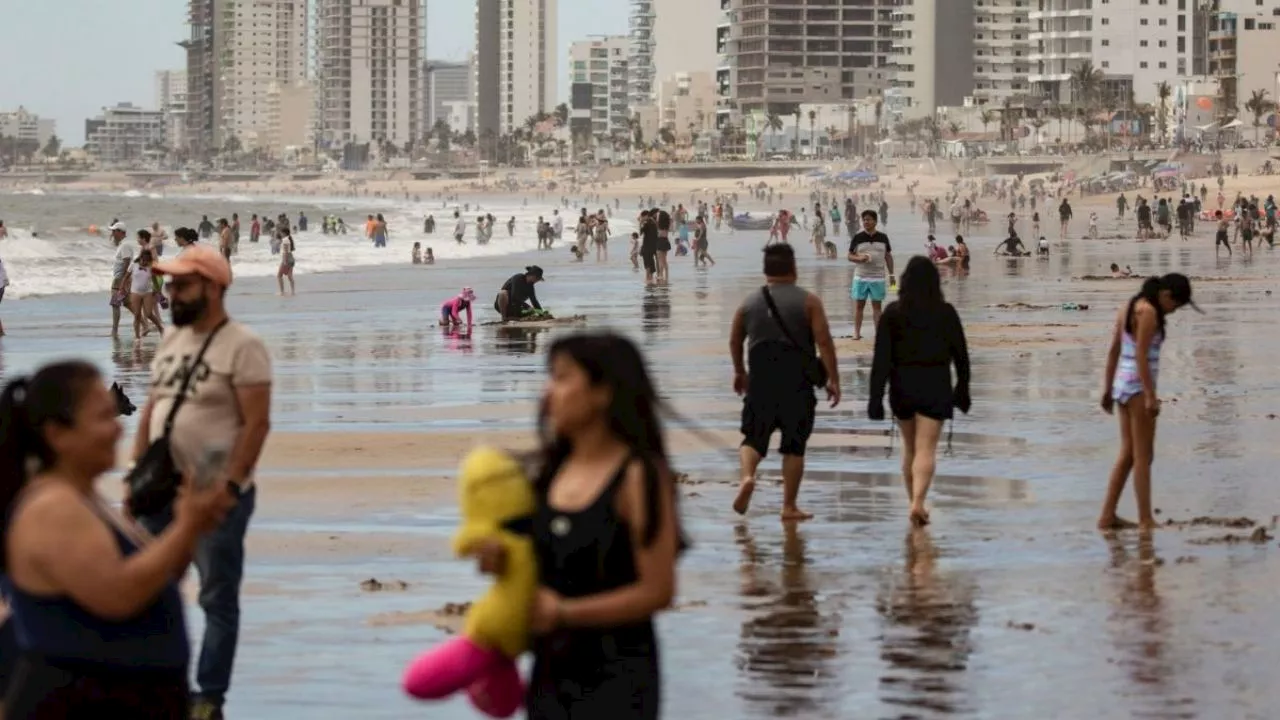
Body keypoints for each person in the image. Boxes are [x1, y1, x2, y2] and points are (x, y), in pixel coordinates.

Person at [0, 361, 234, 716]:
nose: (117, 430)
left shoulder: (86, 500)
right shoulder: (52, 508)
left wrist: (192, 525)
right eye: (103, 418)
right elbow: (120, 595)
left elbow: (157, 578)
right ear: (56, 434)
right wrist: (186, 526)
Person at [472, 332, 684, 720]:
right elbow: (537, 574)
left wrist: (566, 613)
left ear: (603, 392)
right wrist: (499, 561)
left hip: (617, 679)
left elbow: (658, 591)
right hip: (549, 672)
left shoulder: (638, 476)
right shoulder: (549, 473)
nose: (548, 391)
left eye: (562, 377)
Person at [130, 245, 273, 720]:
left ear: (213, 288)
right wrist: (135, 476)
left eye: (181, 284)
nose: (170, 293)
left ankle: (208, 697)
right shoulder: (173, 340)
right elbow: (153, 409)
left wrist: (230, 487)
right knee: (149, 589)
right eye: (168, 285)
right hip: (161, 491)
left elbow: (256, 424)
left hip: (214, 494)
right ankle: (158, 685)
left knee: (215, 595)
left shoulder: (243, 345)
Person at [729, 243, 840, 522]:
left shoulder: (749, 303)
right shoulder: (809, 301)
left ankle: (747, 477)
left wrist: (740, 371)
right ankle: (789, 506)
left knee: (753, 438)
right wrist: (833, 380)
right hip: (797, 383)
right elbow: (824, 342)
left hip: (761, 380)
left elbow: (735, 339)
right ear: (793, 268)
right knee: (794, 445)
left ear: (765, 269)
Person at [867, 257, 971, 526]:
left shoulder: (892, 313)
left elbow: (881, 360)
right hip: (935, 384)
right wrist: (963, 388)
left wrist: (875, 398)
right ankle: (918, 503)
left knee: (910, 448)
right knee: (926, 449)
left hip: (901, 387)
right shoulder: (946, 312)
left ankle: (914, 501)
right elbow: (961, 356)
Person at [1098, 274, 1200, 531]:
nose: (1173, 311)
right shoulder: (1148, 312)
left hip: (1123, 384)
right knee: (1143, 456)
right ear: (1166, 295)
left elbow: (1114, 351)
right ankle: (1145, 519)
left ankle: (1107, 516)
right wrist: (1151, 396)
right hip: (1137, 388)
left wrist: (1108, 390)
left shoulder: (1129, 306)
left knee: (1129, 455)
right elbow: (1141, 355)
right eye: (1175, 305)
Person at [848, 209, 894, 341]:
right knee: (859, 306)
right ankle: (856, 333)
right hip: (860, 277)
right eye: (864, 220)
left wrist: (892, 276)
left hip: (878, 277)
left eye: (868, 219)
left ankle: (878, 333)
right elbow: (850, 255)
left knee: (877, 307)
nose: (866, 222)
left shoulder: (883, 238)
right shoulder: (858, 237)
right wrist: (859, 258)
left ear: (875, 221)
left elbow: (888, 256)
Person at [126, 249, 163, 339]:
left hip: (147, 293)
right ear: (140, 258)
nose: (145, 262)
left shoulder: (151, 267)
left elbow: (154, 281)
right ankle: (137, 336)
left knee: (149, 313)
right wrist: (123, 288)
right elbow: (125, 277)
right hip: (135, 292)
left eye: (147, 260)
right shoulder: (133, 265)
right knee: (137, 315)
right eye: (143, 260)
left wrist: (159, 292)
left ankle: (160, 328)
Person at [109, 222, 138, 337]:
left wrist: (123, 280)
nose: (112, 233)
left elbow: (127, 262)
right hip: (121, 278)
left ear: (121, 232)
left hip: (120, 279)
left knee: (115, 304)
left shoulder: (125, 245)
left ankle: (114, 331)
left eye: (114, 231)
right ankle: (145, 322)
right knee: (126, 303)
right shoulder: (123, 244)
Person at [277, 229, 296, 295]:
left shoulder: (285, 240)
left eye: (281, 232)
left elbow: (285, 251)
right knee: (289, 276)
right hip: (291, 258)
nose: (280, 234)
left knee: (279, 275)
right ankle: (293, 291)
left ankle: (282, 292)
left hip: (287, 259)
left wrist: (284, 261)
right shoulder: (288, 239)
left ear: (284, 233)